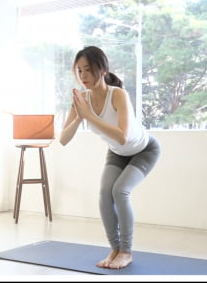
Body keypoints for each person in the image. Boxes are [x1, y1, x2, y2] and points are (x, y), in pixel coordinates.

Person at [59, 45, 161, 270]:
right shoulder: (82, 99)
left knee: (120, 191)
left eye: (88, 69)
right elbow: (63, 139)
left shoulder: (118, 94)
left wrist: (88, 116)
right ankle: (114, 249)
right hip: (117, 153)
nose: (83, 76)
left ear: (102, 69)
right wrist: (79, 116)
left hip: (144, 151)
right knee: (105, 194)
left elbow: (122, 136)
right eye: (79, 71)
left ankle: (126, 251)